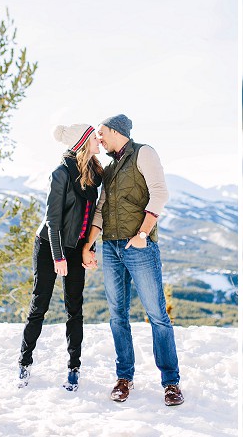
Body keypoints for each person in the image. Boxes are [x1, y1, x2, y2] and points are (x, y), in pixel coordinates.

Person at [82, 114, 183, 407]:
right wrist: (89, 245)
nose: (98, 138)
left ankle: (171, 383)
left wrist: (142, 233)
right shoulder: (111, 169)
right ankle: (124, 378)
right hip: (111, 248)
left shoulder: (144, 153)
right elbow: (101, 208)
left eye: (101, 132)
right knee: (117, 315)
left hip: (138, 246)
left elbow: (160, 193)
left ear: (116, 131)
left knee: (157, 315)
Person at [17, 123, 103, 391]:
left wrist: (89, 249)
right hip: (49, 246)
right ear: (82, 143)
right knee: (39, 303)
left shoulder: (93, 174)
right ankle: (24, 362)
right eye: (94, 138)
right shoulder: (61, 174)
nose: (99, 141)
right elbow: (52, 221)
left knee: (74, 308)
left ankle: (74, 368)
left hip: (76, 246)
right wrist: (58, 257)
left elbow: (89, 218)